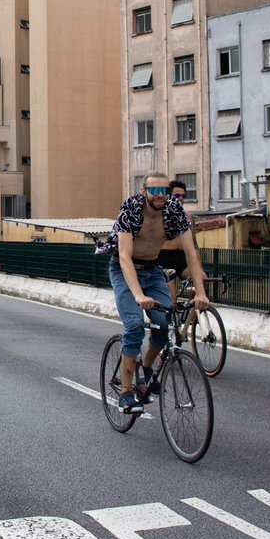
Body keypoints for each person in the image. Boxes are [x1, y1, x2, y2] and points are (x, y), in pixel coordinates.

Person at [96, 171, 209, 415]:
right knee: (135, 326)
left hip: (153, 270)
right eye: (155, 190)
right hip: (124, 270)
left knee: (163, 326)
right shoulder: (131, 208)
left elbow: (190, 252)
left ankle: (145, 369)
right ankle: (126, 394)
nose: (160, 196)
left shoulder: (174, 212)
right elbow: (124, 256)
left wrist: (200, 293)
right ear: (144, 192)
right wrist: (138, 295)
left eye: (164, 191)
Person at [156, 180, 191, 305]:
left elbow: (195, 246)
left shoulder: (188, 217)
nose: (180, 199)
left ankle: (192, 318)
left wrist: (200, 269)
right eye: (177, 196)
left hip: (182, 256)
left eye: (183, 196)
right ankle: (170, 321)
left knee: (200, 282)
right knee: (171, 298)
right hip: (165, 257)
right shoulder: (160, 214)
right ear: (169, 196)